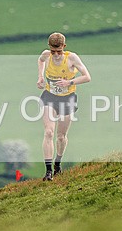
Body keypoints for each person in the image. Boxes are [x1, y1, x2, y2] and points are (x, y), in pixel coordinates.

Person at [36, 32, 91, 181]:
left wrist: (69, 82)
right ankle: (48, 172)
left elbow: (87, 77)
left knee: (61, 136)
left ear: (64, 47)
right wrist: (40, 77)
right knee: (48, 132)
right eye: (53, 51)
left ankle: (57, 164)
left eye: (58, 51)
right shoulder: (46, 55)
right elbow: (40, 61)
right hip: (50, 97)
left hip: (68, 99)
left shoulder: (71, 58)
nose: (55, 54)